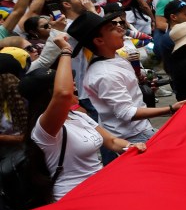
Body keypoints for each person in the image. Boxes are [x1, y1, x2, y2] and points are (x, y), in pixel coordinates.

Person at [21, 35, 148, 201]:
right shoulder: (44, 128)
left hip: (100, 189)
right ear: (50, 95)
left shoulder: (79, 116)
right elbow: (64, 94)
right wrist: (66, 51)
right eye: (69, 82)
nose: (74, 85)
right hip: (73, 198)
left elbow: (112, 142)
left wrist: (132, 146)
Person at [70, 11, 186, 165]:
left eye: (119, 24)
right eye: (112, 28)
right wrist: (171, 108)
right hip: (134, 136)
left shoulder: (114, 58)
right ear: (99, 40)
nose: (120, 29)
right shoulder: (105, 74)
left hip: (139, 130)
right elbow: (127, 113)